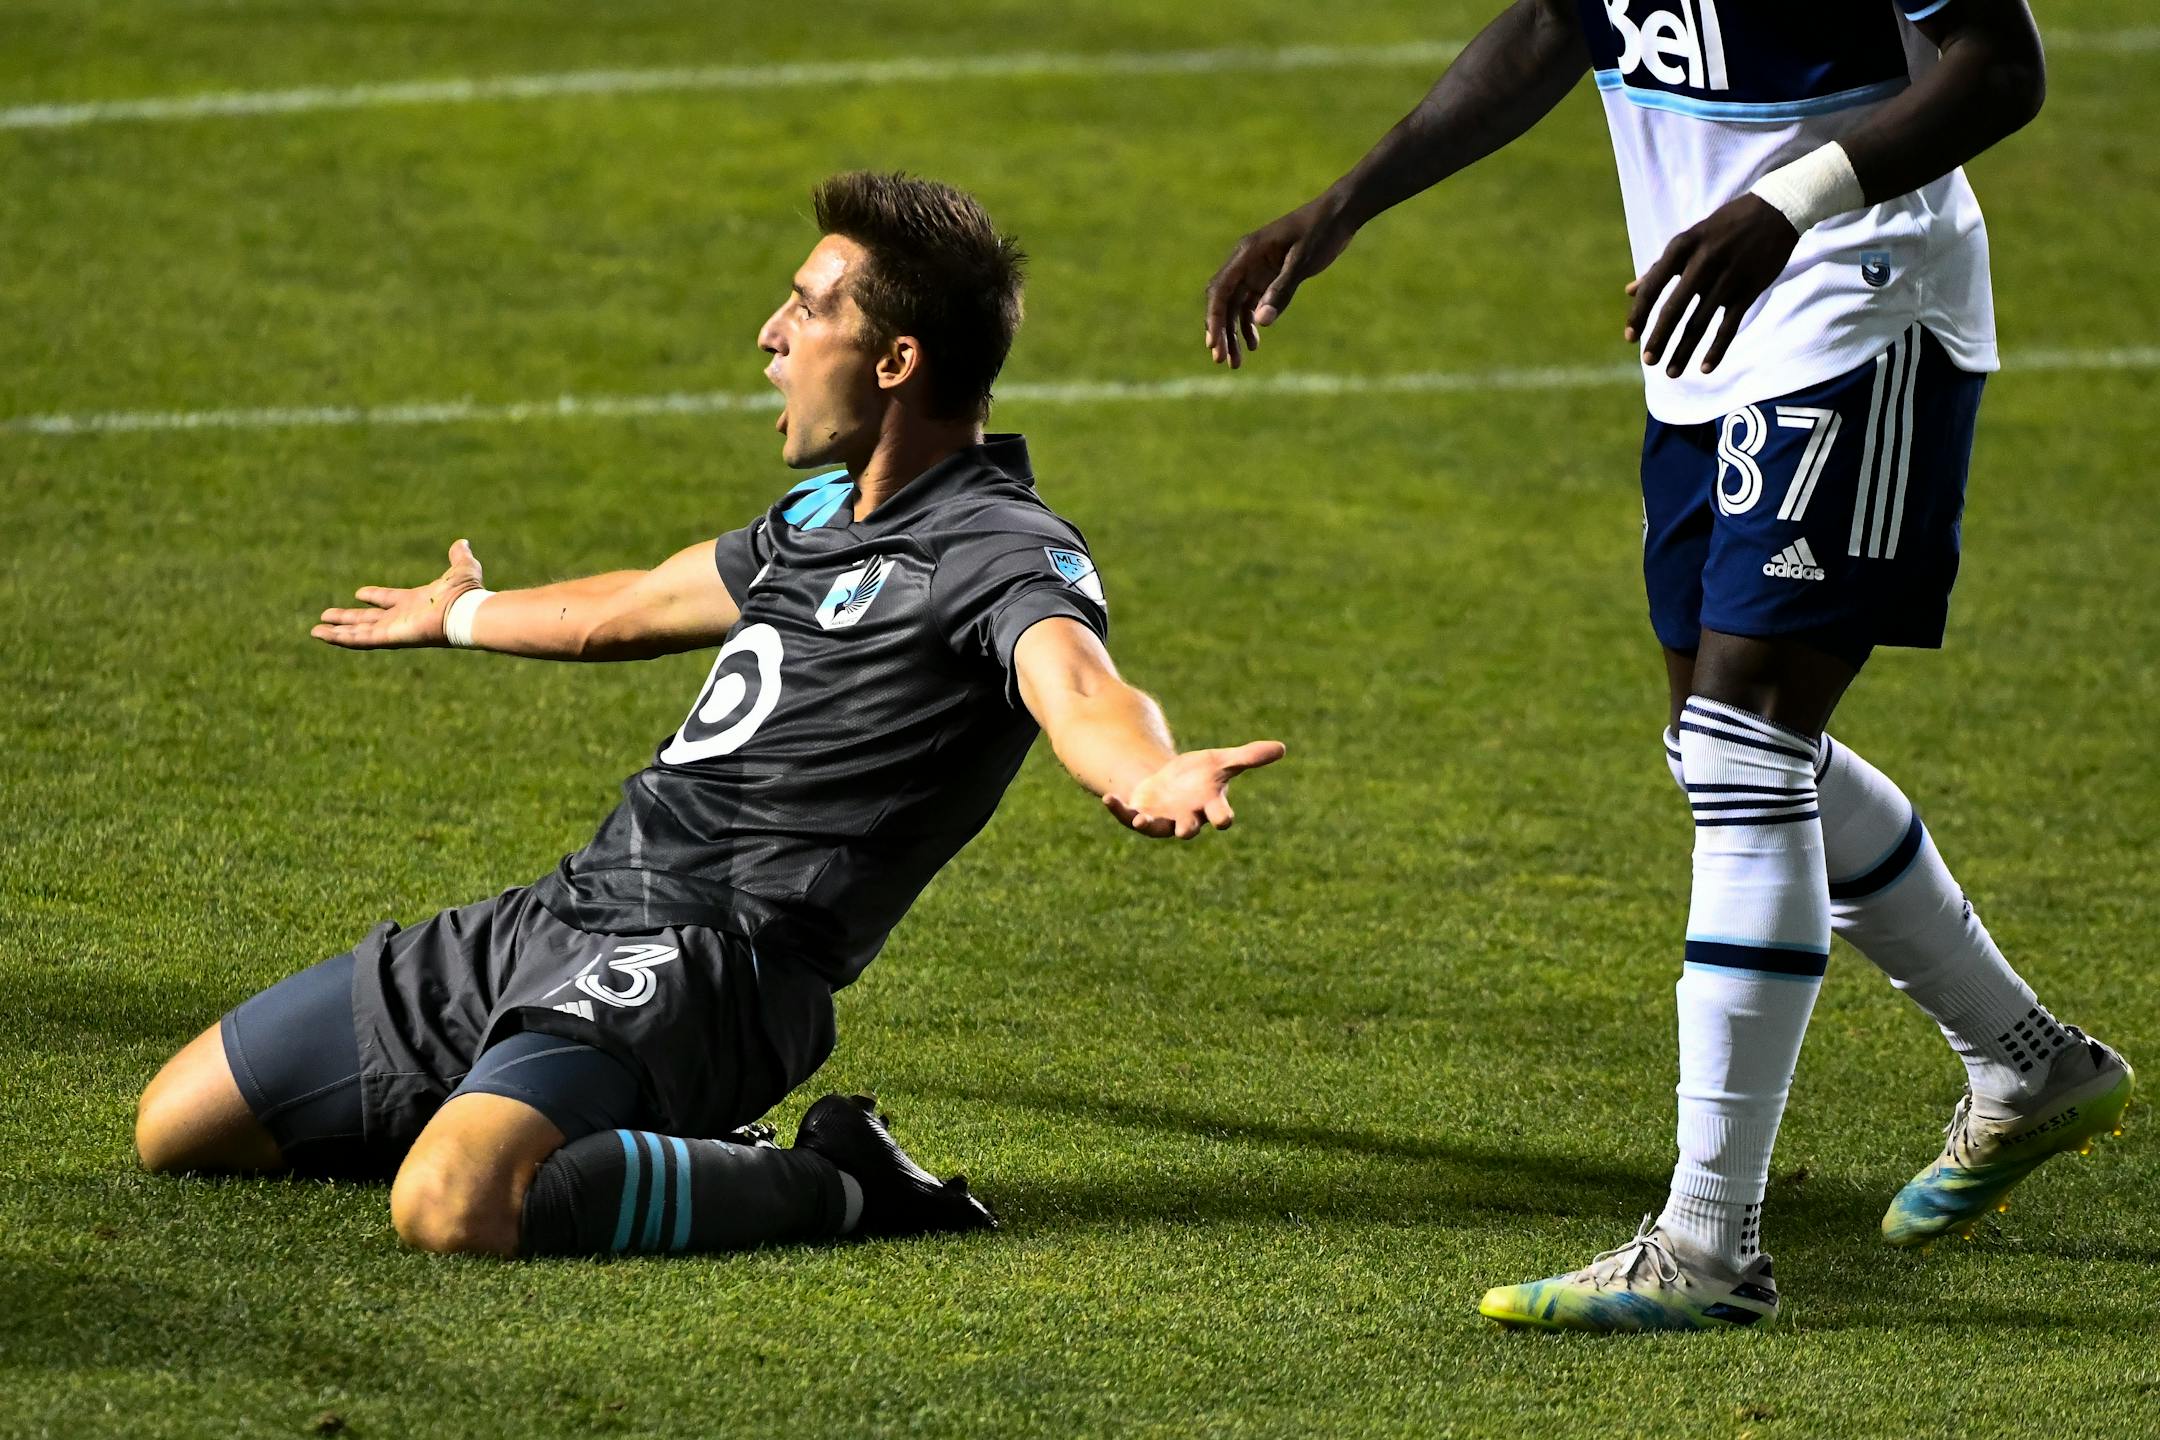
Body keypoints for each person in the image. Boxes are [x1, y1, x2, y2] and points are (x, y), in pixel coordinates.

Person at [135, 171, 1284, 1260]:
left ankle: (846, 1184)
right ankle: (562, 1116)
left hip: (710, 968)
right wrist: (465, 614)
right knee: (180, 1127)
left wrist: (1145, 770)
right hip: (569, 912)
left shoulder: (998, 548)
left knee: (452, 1208)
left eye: (803, 309)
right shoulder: (821, 517)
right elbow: (626, 608)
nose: (770, 337)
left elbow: (1076, 680)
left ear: (895, 359)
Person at [1203, 0, 2129, 1331]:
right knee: (1723, 746)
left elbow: (2004, 69)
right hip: (1709, 322)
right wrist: (1348, 200)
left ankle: (1707, 1247)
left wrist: (1788, 204)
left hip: (1858, 299)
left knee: (1745, 748)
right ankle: (2032, 1066)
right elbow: (1549, 23)